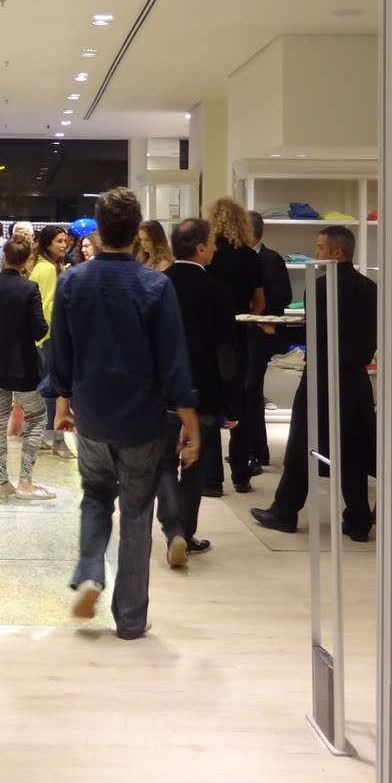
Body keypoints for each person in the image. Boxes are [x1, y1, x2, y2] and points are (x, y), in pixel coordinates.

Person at [52, 187, 198, 640]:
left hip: (92, 413)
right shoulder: (156, 285)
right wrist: (189, 419)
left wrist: (61, 403)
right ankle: (131, 619)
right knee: (136, 512)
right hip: (141, 419)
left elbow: (61, 352)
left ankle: (90, 572)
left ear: (98, 230)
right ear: (137, 232)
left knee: (96, 496)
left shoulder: (72, 282)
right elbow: (174, 359)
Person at [250, 224, 379, 542]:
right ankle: (358, 520)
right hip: (356, 378)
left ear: (337, 252)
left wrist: (277, 332)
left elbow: (317, 334)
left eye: (320, 247)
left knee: (302, 445)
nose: (315, 252)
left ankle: (285, 511)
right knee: (351, 448)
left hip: (322, 376)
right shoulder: (370, 288)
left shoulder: (320, 287)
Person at [157, 218, 236, 564]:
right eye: (213, 242)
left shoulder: (158, 284)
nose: (216, 248)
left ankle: (173, 529)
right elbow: (226, 351)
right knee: (195, 465)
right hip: (203, 392)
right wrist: (231, 401)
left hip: (160, 393)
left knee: (162, 462)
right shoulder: (218, 290)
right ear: (201, 248)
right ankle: (185, 533)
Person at [0, 235, 55, 500]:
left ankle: (3, 482)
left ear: (3, 257)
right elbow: (39, 329)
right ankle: (26, 482)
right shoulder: (29, 288)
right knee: (37, 418)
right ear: (26, 260)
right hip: (23, 367)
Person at [204, 196, 265, 497]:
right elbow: (260, 301)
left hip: (211, 335)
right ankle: (241, 474)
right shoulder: (251, 257)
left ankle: (212, 479)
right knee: (237, 403)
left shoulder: (210, 255)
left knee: (210, 401)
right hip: (240, 333)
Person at [244, 209, 294, 470]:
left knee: (251, 388)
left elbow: (283, 295)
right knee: (245, 390)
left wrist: (261, 313)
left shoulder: (271, 259)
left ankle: (257, 450)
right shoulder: (239, 258)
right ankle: (249, 448)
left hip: (262, 332)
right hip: (245, 331)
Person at [30, 225, 74, 459]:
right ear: (48, 243)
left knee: (47, 388)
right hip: (49, 338)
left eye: (65, 241)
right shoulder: (47, 269)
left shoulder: (44, 266)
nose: (64, 245)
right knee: (52, 389)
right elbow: (48, 306)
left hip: (44, 337)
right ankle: (54, 438)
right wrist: (54, 335)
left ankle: (43, 437)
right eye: (59, 241)